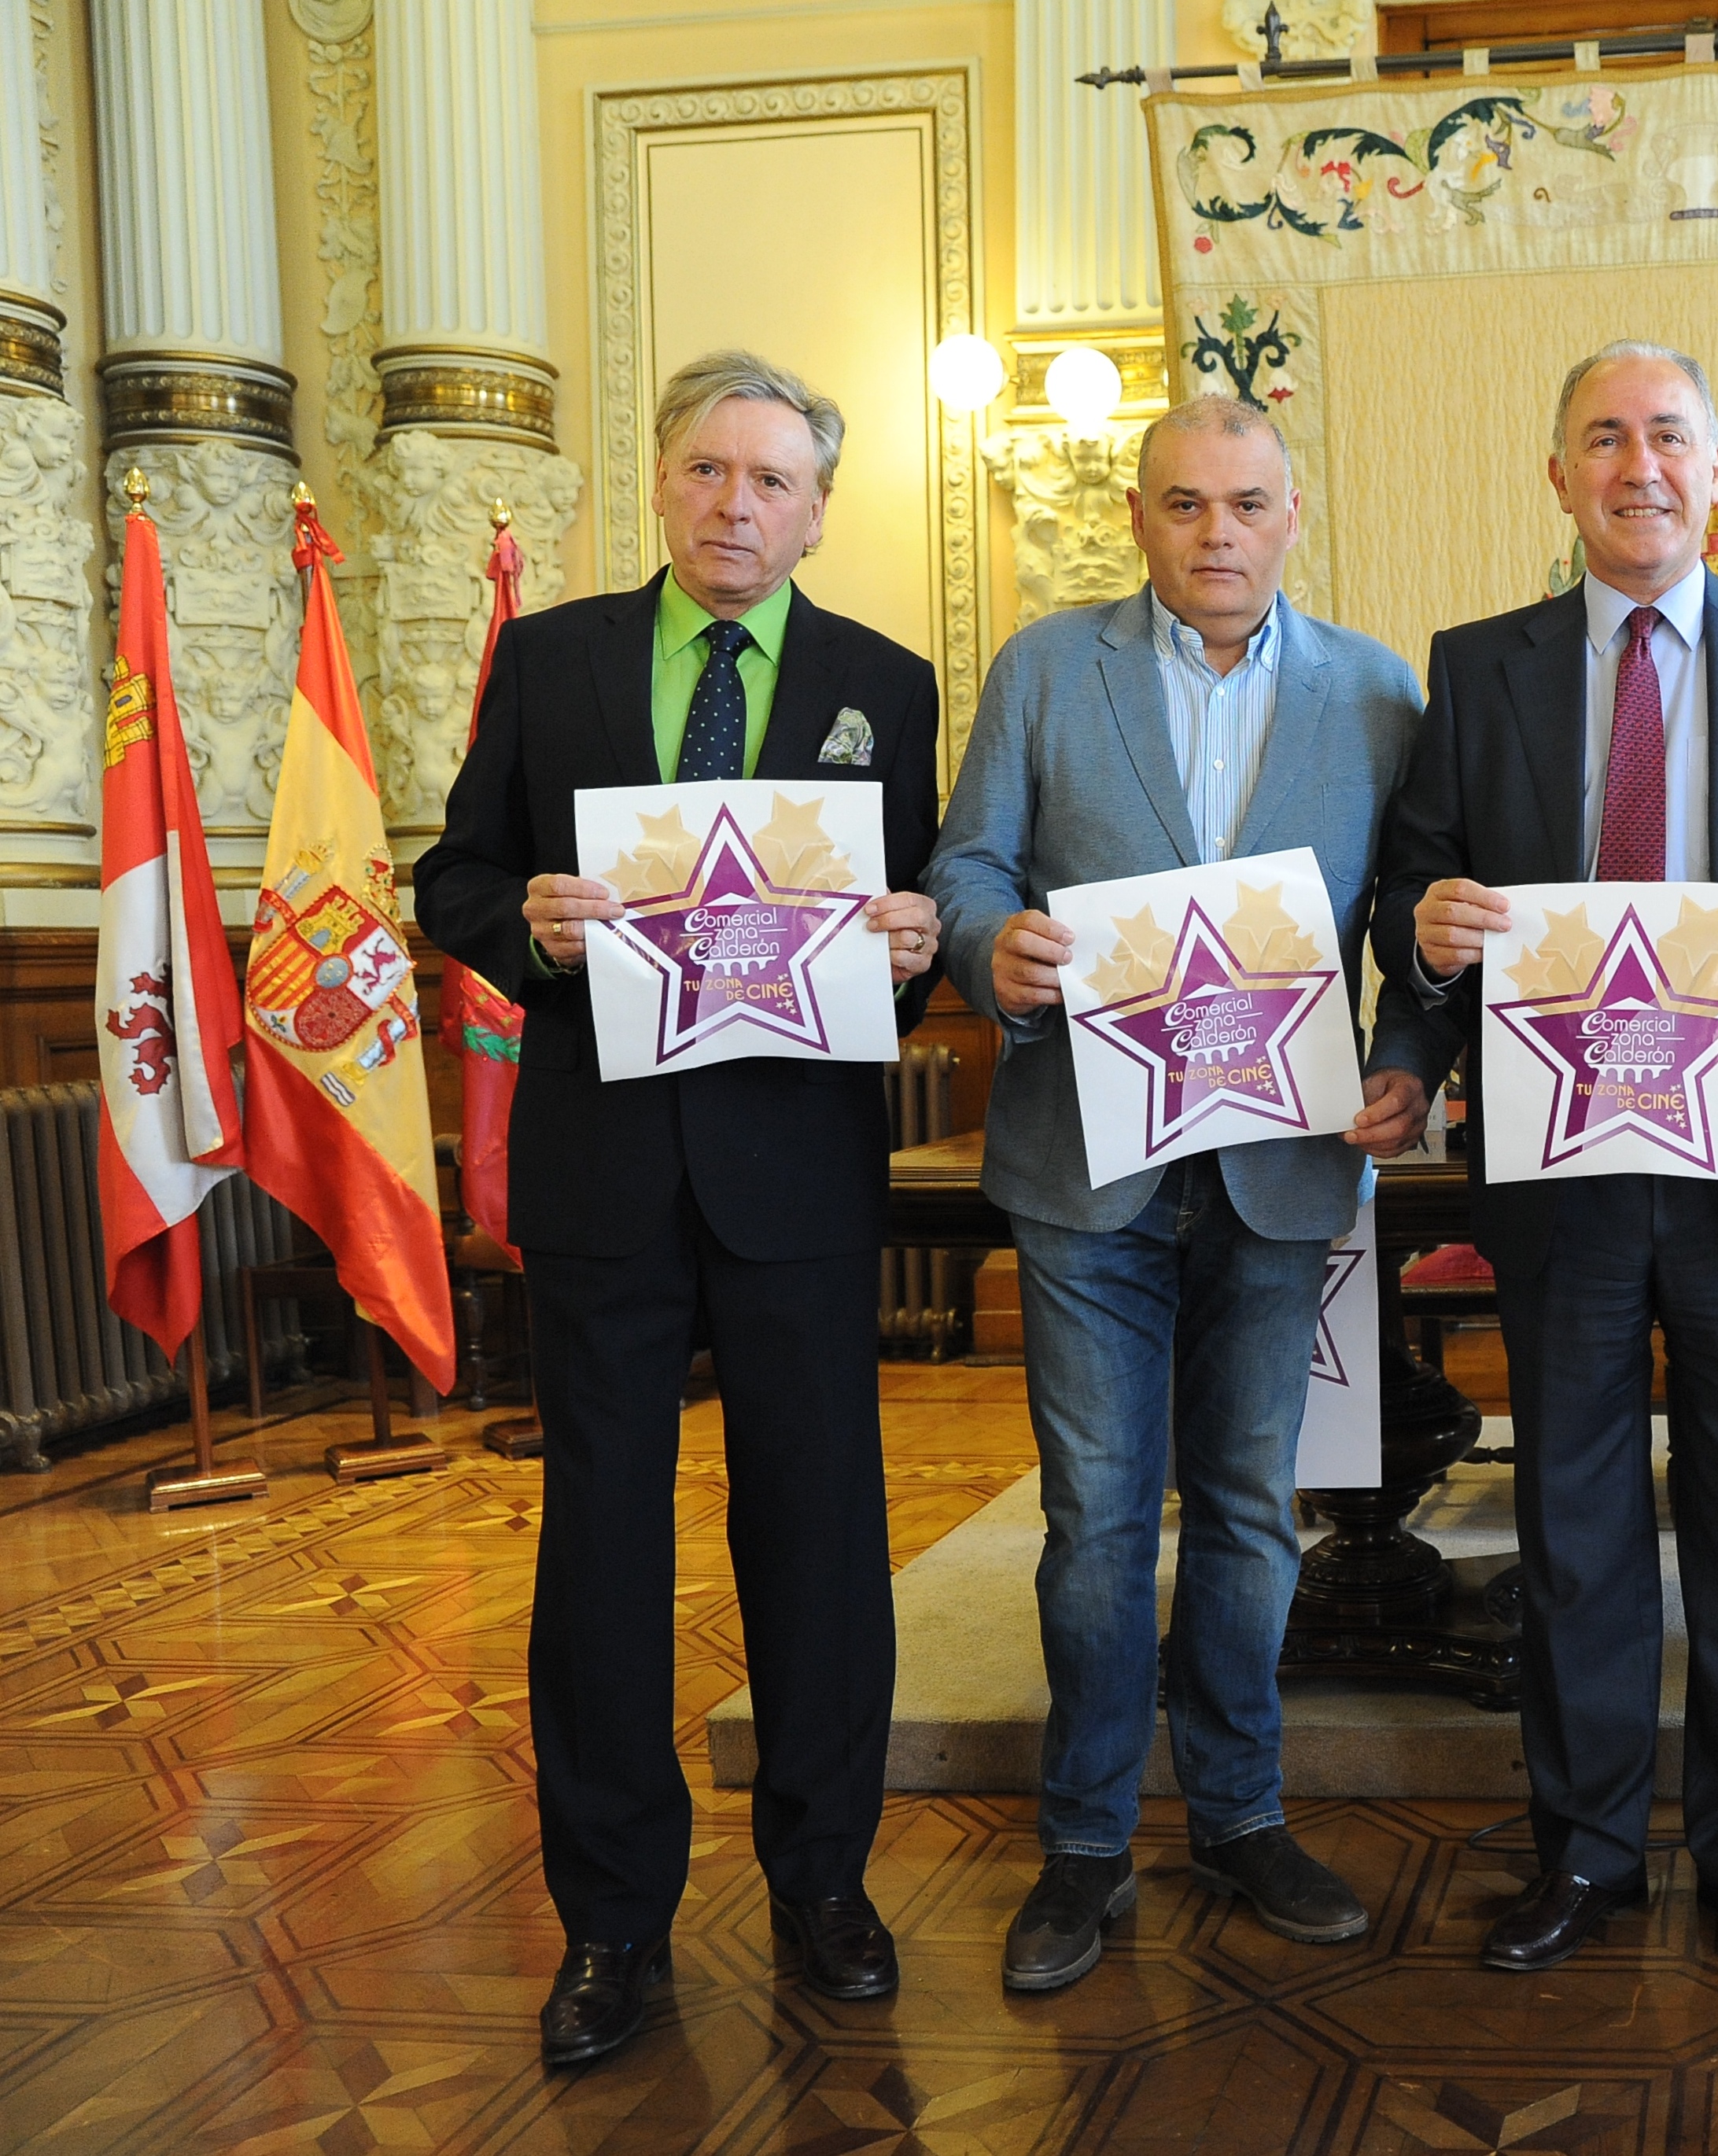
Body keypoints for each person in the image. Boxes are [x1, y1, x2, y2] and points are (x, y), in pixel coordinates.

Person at [1375, 341, 1718, 1983]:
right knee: (1574, 1527)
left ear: (1714, 466)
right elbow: (1414, 888)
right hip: (1558, 1166)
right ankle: (1586, 1851)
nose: (1639, 466)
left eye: (1668, 435)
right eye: (1604, 438)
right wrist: (1422, 930)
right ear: (1557, 476)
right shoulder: (1477, 668)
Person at [418, 349, 946, 2066]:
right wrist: (522, 923)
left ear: (818, 510)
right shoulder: (552, 657)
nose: (737, 506)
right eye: (710, 470)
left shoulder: (886, 683)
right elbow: (452, 874)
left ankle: (824, 1879)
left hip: (798, 1176)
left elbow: (918, 906)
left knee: (818, 1533)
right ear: (660, 480)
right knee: (601, 1547)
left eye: (773, 480)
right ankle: (613, 1918)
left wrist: (922, 939)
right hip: (605, 1174)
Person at [922, 394, 1449, 1992]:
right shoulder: (1042, 668)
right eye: (1182, 503)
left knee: (1246, 1510)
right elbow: (967, 866)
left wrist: (1407, 1060)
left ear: (1293, 515)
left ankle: (1239, 1812)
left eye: (1245, 503)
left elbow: (1409, 917)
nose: (1216, 532)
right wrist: (991, 949)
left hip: (1281, 1163)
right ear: (1136, 516)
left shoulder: (1376, 691)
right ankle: (1083, 1841)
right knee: (1092, 1521)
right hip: (1084, 1168)